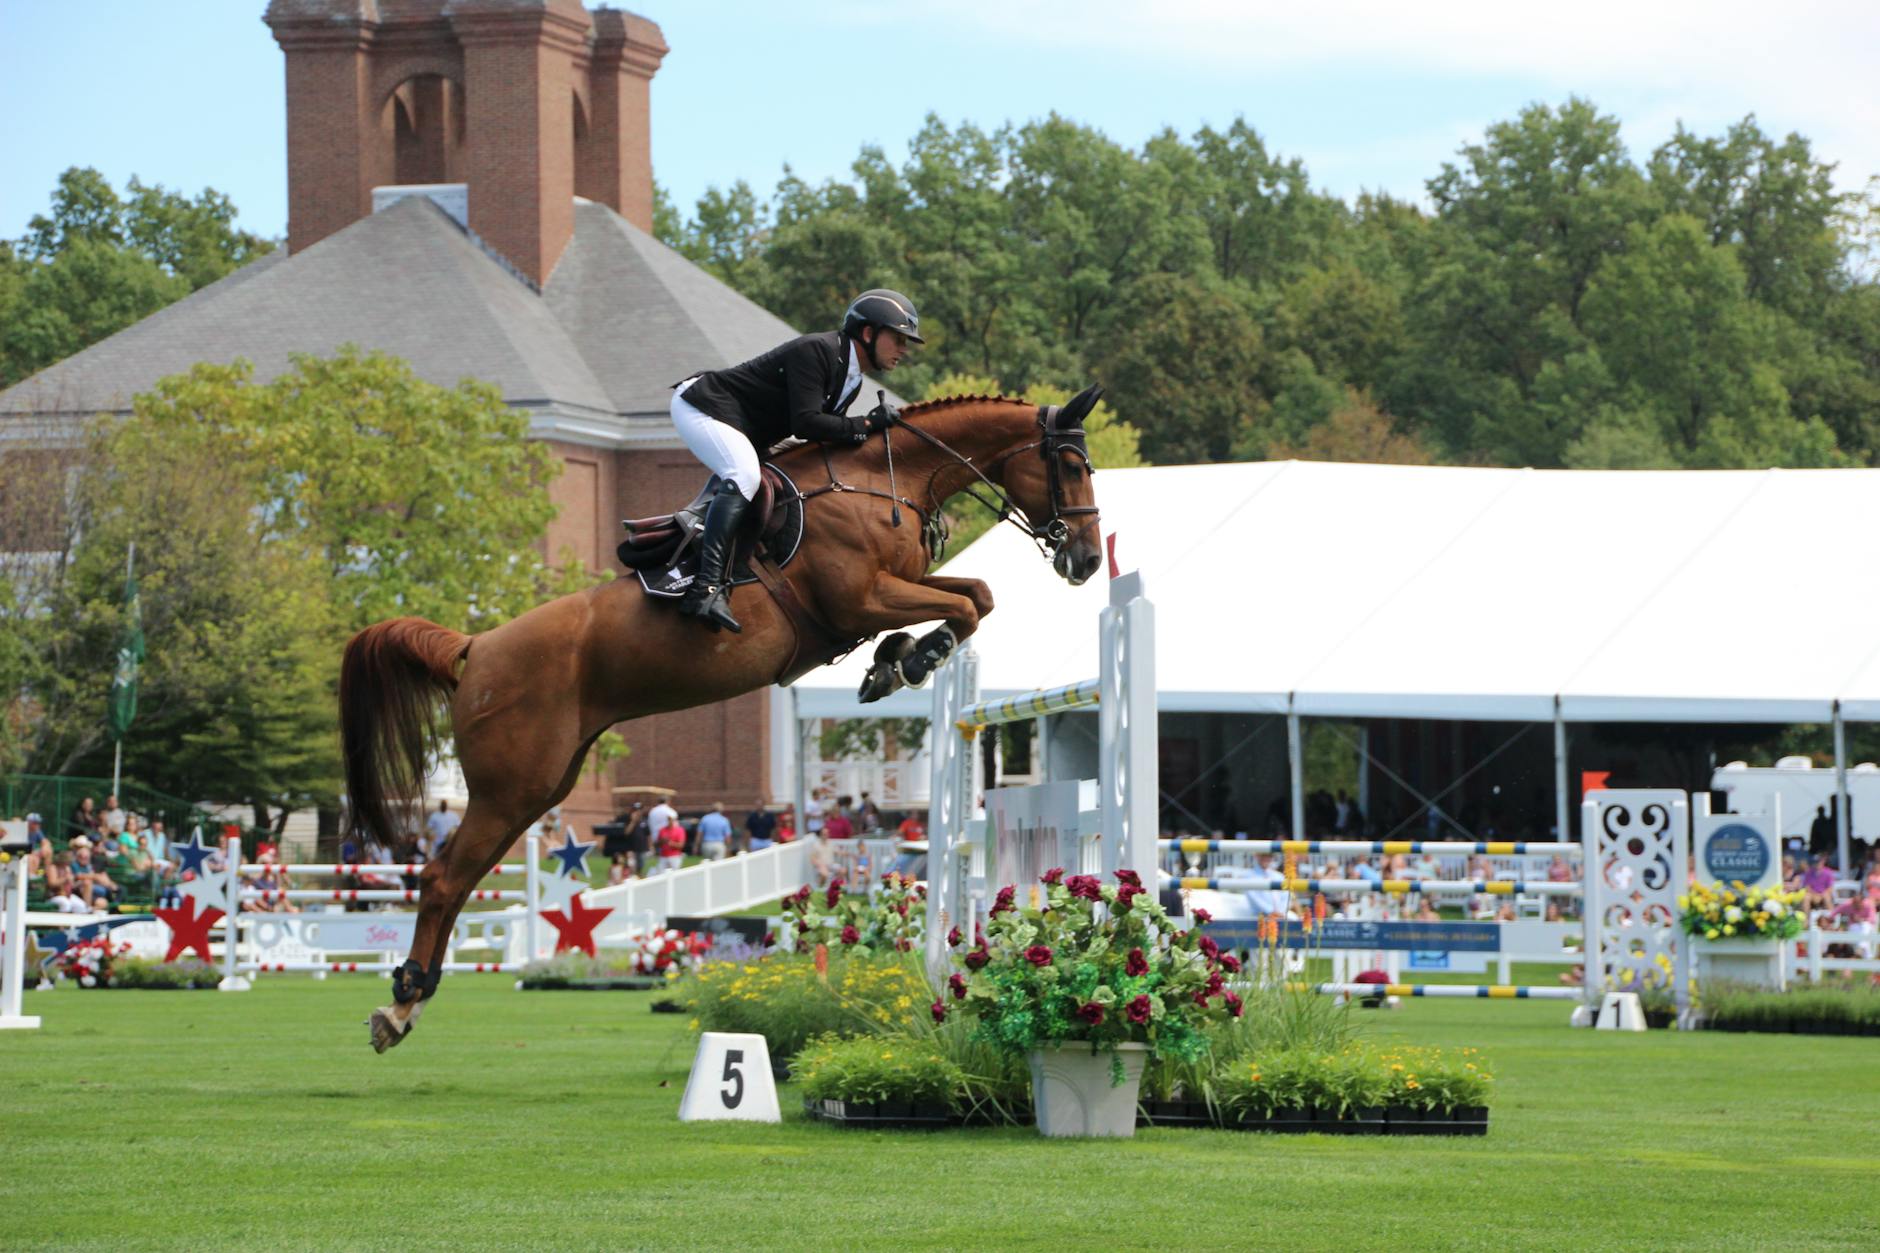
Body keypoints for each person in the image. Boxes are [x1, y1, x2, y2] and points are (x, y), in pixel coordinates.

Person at [666, 289, 922, 632]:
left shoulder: (852, 379)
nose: (903, 349)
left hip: (741, 425)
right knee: (744, 475)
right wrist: (867, 424)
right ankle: (706, 588)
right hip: (704, 406)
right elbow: (807, 423)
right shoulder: (817, 350)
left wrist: (871, 434)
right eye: (898, 338)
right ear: (867, 333)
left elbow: (827, 436)